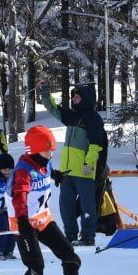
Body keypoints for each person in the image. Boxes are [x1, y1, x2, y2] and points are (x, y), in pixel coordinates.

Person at [11, 125, 107, 275]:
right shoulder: (23, 170)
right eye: (47, 149)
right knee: (36, 267)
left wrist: (54, 175)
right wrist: (22, 222)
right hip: (24, 222)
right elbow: (19, 196)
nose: (51, 153)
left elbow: (43, 173)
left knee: (69, 255)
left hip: (42, 219)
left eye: (52, 149)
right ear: (34, 149)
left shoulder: (43, 164)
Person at [40, 82, 108, 246]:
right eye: (73, 97)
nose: (73, 99)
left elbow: (96, 144)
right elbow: (53, 108)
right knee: (66, 207)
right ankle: (70, 236)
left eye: (77, 97)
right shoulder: (72, 116)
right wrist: (45, 91)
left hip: (84, 170)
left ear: (86, 99)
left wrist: (89, 163)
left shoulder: (93, 118)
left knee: (87, 206)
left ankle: (88, 236)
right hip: (67, 171)